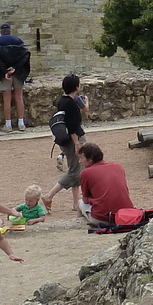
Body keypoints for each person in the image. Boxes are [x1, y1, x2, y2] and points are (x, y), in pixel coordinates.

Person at [46, 74, 89, 209]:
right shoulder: (71, 103)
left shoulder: (62, 101)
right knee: (74, 172)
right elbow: (72, 126)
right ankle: (49, 196)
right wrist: (77, 143)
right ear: (76, 87)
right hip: (73, 140)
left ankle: (76, 203)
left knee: (76, 170)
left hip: (65, 140)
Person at [76, 143, 135, 226]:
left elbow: (85, 200)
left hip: (103, 218)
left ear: (90, 159)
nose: (80, 161)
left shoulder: (85, 173)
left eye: (81, 158)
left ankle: (79, 228)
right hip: (126, 215)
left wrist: (91, 200)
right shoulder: (118, 166)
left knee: (79, 203)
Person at [0, 23, 31, 132]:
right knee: (19, 97)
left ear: (1, 32)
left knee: (6, 99)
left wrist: (5, 71)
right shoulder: (18, 41)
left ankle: (8, 125)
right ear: (10, 31)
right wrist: (15, 68)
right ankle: (21, 123)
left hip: (5, 75)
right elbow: (25, 55)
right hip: (18, 74)